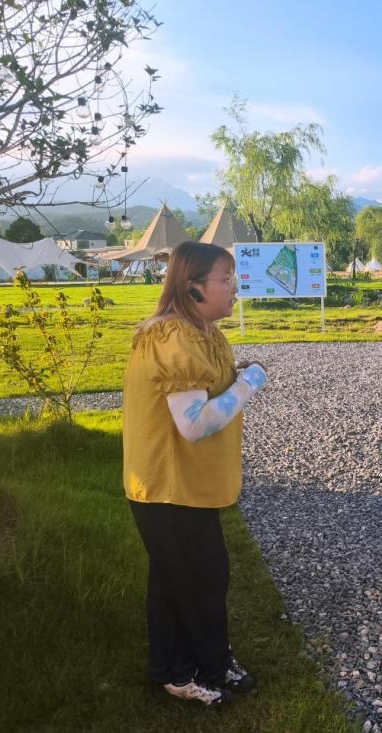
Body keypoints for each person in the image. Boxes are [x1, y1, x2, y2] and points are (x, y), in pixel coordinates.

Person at [122, 241, 267, 707]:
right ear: (193, 288)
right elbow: (195, 423)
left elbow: (206, 390)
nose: (235, 287)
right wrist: (249, 384)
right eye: (225, 279)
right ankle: (181, 673)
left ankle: (207, 662)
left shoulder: (203, 331)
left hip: (187, 485)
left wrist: (236, 376)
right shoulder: (174, 338)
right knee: (191, 581)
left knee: (190, 577)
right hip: (168, 486)